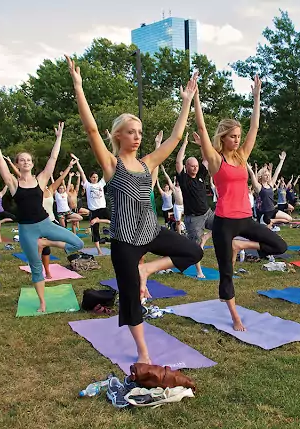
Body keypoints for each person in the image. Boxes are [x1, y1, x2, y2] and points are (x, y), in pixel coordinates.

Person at [67, 55, 203, 364]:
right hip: (125, 242)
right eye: (131, 131)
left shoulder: (147, 163)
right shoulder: (112, 166)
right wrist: (78, 87)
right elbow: (90, 130)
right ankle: (143, 352)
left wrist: (186, 101)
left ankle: (147, 269)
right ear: (118, 135)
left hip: (151, 232)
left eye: (139, 132)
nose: (137, 137)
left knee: (193, 253)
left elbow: (175, 137)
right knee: (130, 299)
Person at [194, 74, 287, 331]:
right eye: (232, 136)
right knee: (226, 273)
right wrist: (196, 99)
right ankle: (235, 316)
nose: (237, 139)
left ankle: (242, 245)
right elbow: (202, 130)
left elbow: (255, 128)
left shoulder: (243, 155)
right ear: (223, 137)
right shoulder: (215, 159)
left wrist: (257, 97)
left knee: (279, 245)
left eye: (238, 136)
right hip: (224, 222)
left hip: (245, 219)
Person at [0, 119, 84, 312]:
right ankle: (42, 302)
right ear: (17, 164)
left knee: (79, 244)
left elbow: (53, 160)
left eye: (28, 160)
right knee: (36, 267)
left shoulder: (41, 180)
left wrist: (58, 138)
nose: (25, 162)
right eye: (21, 160)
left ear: (32, 163)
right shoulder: (14, 184)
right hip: (27, 230)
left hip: (46, 224)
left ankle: (45, 243)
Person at [174, 133, 215, 278]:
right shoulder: (184, 179)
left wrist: (201, 144)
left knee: (225, 225)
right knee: (196, 248)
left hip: (207, 213)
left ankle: (206, 237)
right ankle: (199, 271)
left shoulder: (200, 175)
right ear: (187, 167)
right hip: (194, 219)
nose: (195, 168)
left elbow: (205, 159)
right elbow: (178, 162)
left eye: (196, 166)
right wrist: (184, 143)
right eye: (192, 166)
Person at [74, 158, 109, 256]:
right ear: (90, 178)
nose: (95, 178)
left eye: (96, 177)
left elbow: (107, 171)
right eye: (93, 177)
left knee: (113, 221)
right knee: (95, 231)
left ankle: (98, 220)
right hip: (93, 210)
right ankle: (99, 251)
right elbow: (82, 172)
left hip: (102, 208)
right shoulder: (88, 185)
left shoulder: (101, 183)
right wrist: (77, 162)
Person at [254, 152, 290, 227]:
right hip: (265, 213)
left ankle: (272, 221)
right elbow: (253, 175)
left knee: (289, 219)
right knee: (265, 235)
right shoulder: (259, 187)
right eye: (265, 175)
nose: (267, 176)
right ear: (261, 176)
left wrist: (281, 161)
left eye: (268, 175)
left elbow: (277, 172)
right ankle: (267, 222)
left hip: (273, 210)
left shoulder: (270, 184)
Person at [160, 166, 184, 234]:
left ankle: (182, 230)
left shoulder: (183, 187)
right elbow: (168, 179)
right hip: (177, 206)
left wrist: (184, 169)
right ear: (176, 182)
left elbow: (185, 177)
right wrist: (164, 171)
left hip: (183, 205)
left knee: (185, 219)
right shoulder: (174, 188)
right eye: (178, 181)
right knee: (178, 221)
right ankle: (179, 234)